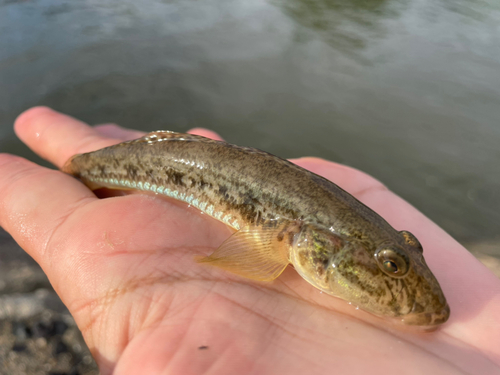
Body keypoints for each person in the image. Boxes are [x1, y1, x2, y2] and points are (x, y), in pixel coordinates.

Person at [0, 107, 499, 375]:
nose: (400, 273)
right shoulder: (302, 237)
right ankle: (80, 173)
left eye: (399, 262)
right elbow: (249, 258)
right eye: (391, 264)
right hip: (123, 164)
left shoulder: (315, 239)